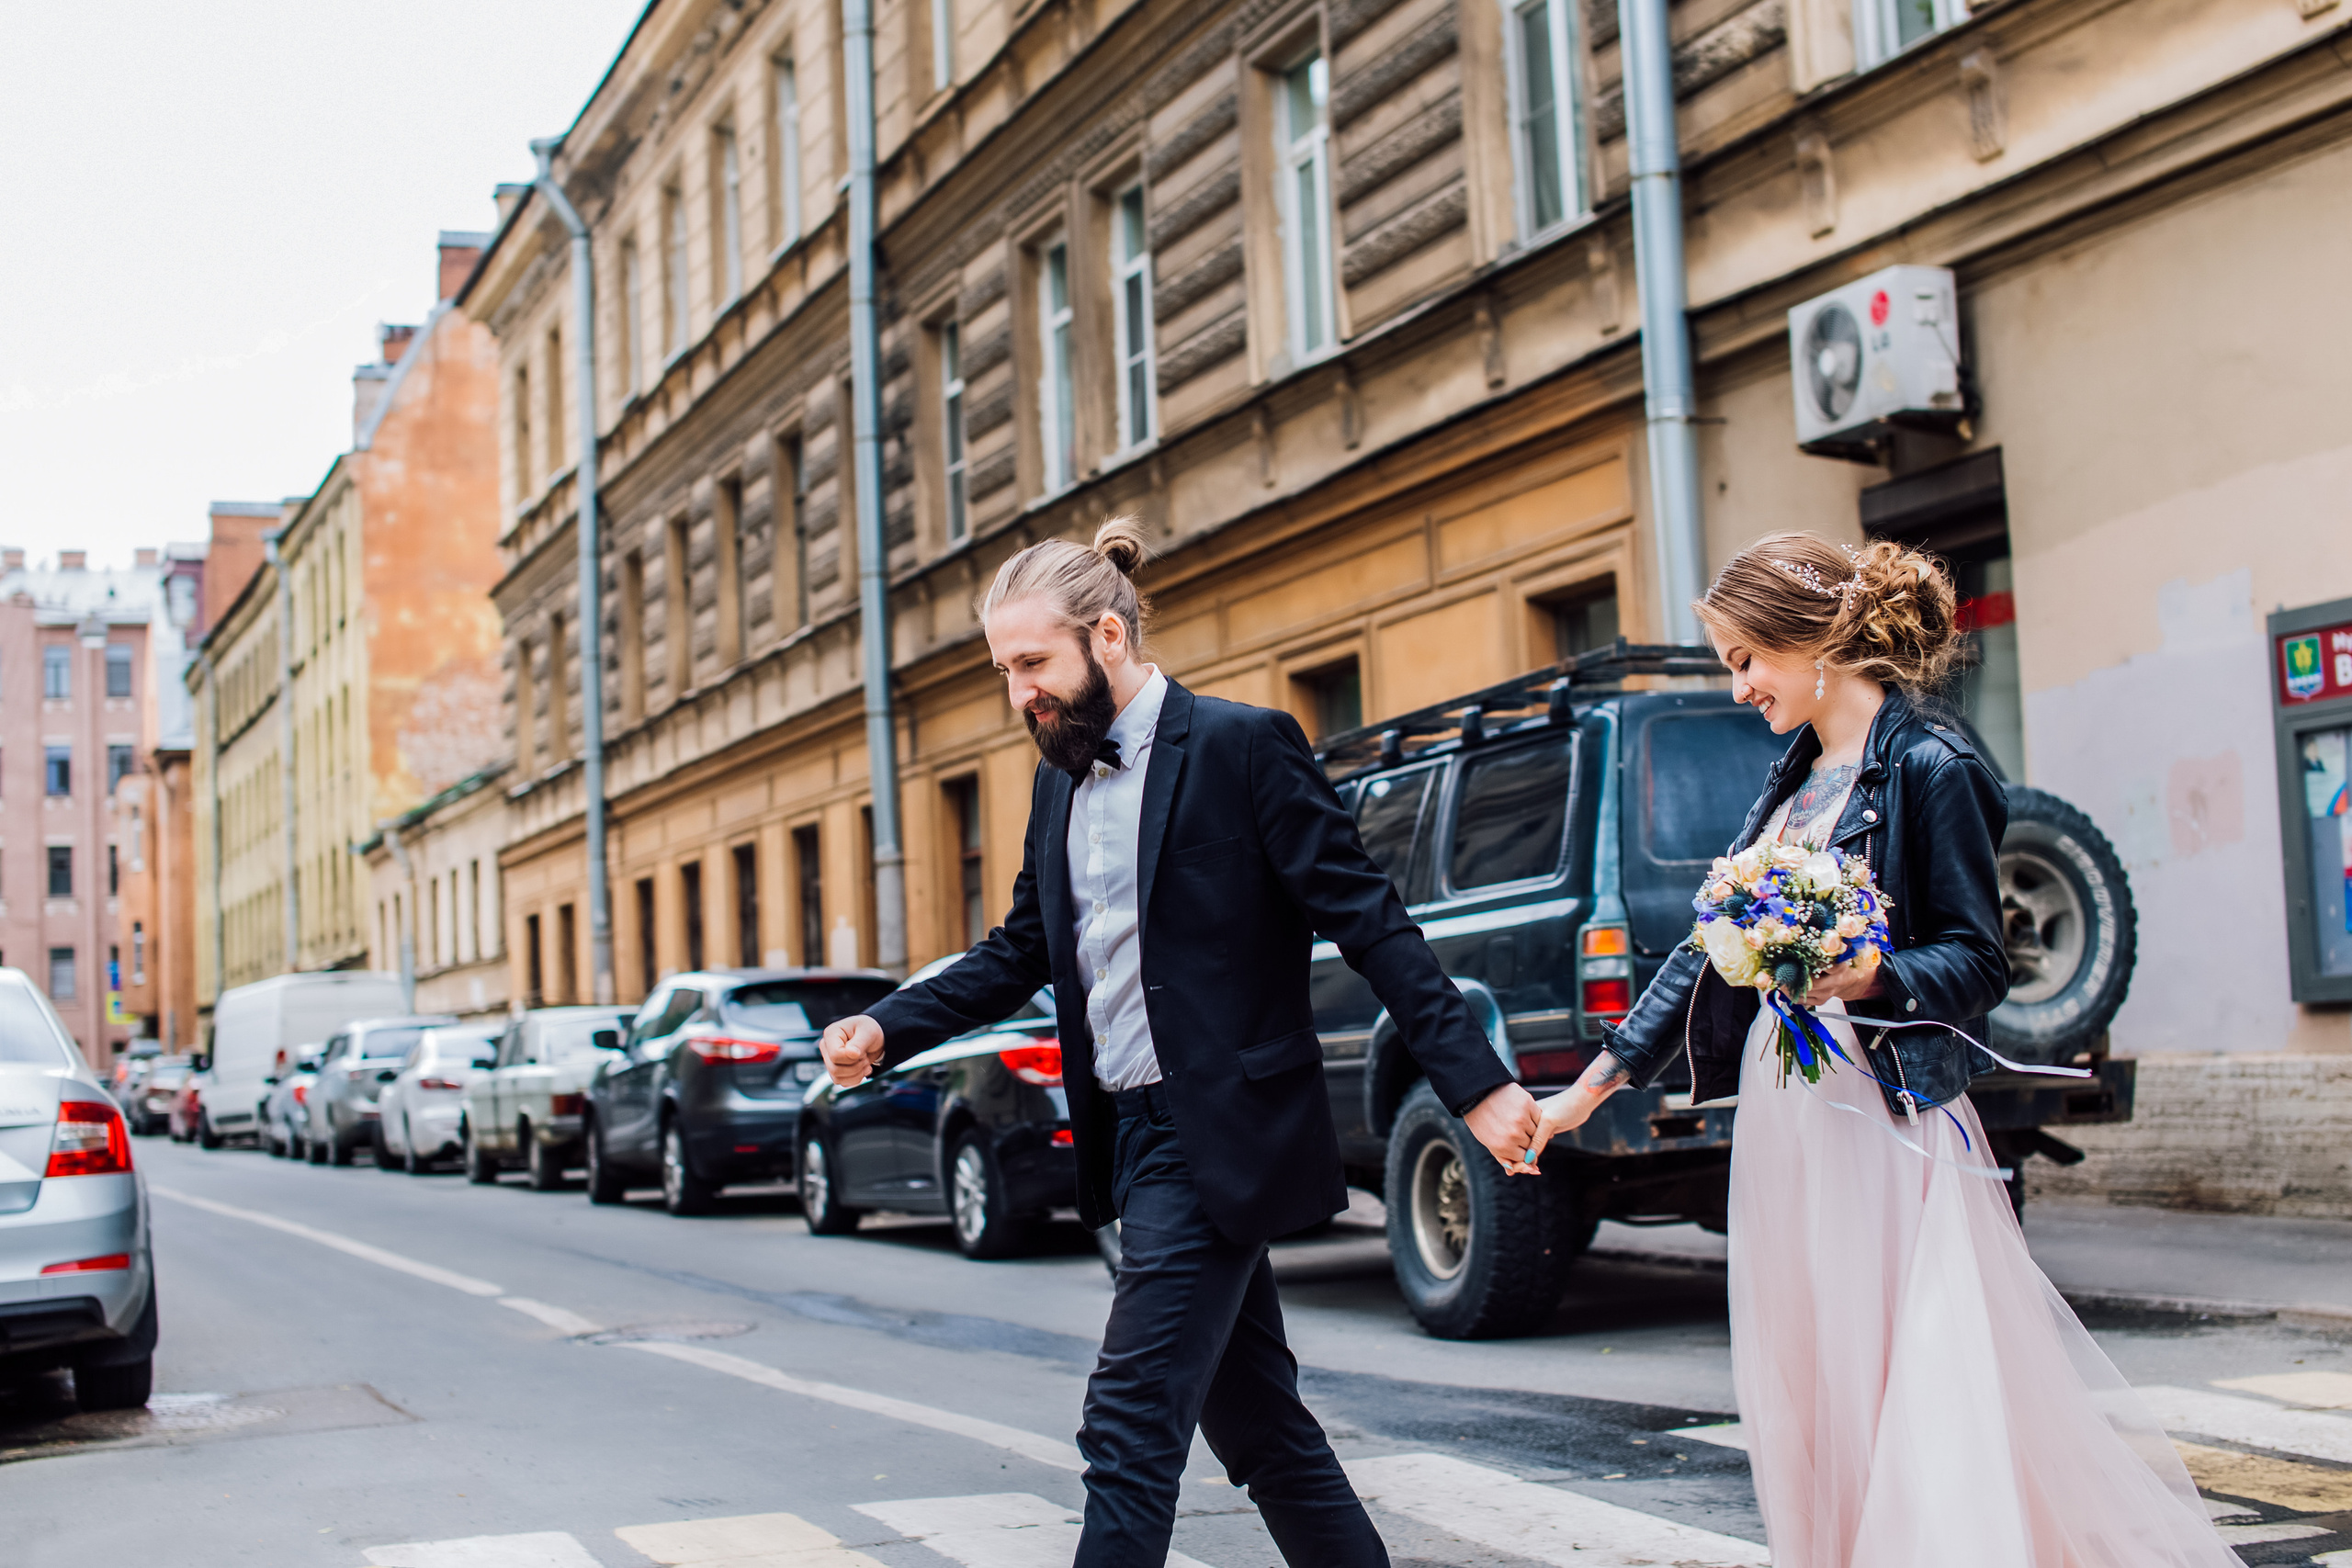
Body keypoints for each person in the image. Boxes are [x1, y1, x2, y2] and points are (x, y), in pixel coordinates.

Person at [819, 516, 1543, 1567]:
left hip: (1220, 1134)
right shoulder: (1057, 778)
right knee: (1261, 1431)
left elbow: (1368, 919)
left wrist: (1474, 1084)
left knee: (1128, 1426)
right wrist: (888, 1023)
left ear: (1106, 638)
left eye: (1032, 664)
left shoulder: (1243, 748)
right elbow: (1021, 948)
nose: (1018, 692)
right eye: (1003, 671)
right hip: (1135, 1134)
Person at [1527, 534, 2236, 1568]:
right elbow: (1702, 953)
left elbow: (1978, 961)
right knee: (1818, 1373)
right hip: (1791, 1123)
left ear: (1812, 641)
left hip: (1886, 1120)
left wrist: (1871, 977)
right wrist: (1585, 1092)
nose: (1738, 687)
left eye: (1743, 659)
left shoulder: (1931, 767)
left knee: (1921, 1376)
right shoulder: (1793, 782)